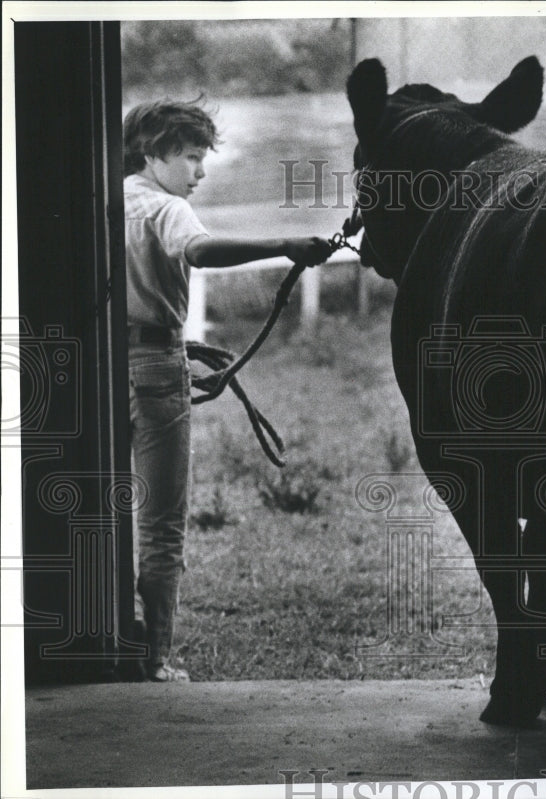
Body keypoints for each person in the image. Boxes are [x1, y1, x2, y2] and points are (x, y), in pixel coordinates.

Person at [123, 98, 333, 682]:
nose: (200, 171)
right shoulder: (165, 209)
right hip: (156, 365)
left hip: (101, 365)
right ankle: (154, 660)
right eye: (190, 157)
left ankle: (110, 639)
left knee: (102, 511)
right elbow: (199, 251)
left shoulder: (104, 204)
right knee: (162, 524)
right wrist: (283, 245)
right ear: (154, 153)